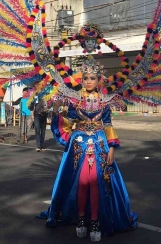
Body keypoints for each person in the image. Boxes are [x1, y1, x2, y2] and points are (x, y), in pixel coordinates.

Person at [37, 60, 137, 241]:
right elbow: (67, 118)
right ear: (81, 79)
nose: (89, 81)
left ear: (99, 80)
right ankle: (82, 219)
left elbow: (107, 124)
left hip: (99, 144)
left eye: (92, 78)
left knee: (96, 184)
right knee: (82, 182)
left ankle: (95, 220)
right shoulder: (74, 99)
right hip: (79, 144)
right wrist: (57, 109)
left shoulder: (105, 101)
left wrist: (112, 147)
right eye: (86, 78)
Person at [29, 84, 49, 152]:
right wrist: (31, 105)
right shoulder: (34, 96)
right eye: (36, 86)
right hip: (37, 114)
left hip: (44, 114)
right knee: (37, 130)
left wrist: (48, 108)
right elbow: (31, 106)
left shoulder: (46, 94)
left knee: (43, 131)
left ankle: (42, 145)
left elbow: (49, 103)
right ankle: (38, 146)